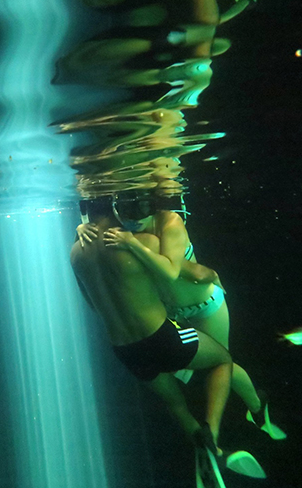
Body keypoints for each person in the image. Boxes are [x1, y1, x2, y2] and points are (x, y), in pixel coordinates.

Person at [78, 194, 286, 440]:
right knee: (200, 365)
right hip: (174, 312)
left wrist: (212, 275)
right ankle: (214, 433)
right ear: (117, 210)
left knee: (222, 365)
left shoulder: (167, 225)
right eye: (126, 210)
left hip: (203, 304)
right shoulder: (124, 233)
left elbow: (195, 272)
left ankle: (257, 407)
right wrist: (83, 228)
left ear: (153, 206)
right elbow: (101, 248)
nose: (134, 217)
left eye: (141, 209)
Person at [71, 197, 235, 487]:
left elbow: (93, 306)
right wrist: (213, 277)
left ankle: (199, 444)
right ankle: (213, 437)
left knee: (175, 403)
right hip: (162, 338)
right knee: (222, 360)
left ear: (85, 211)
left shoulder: (75, 253)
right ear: (116, 208)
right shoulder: (142, 241)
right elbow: (188, 272)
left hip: (123, 350)